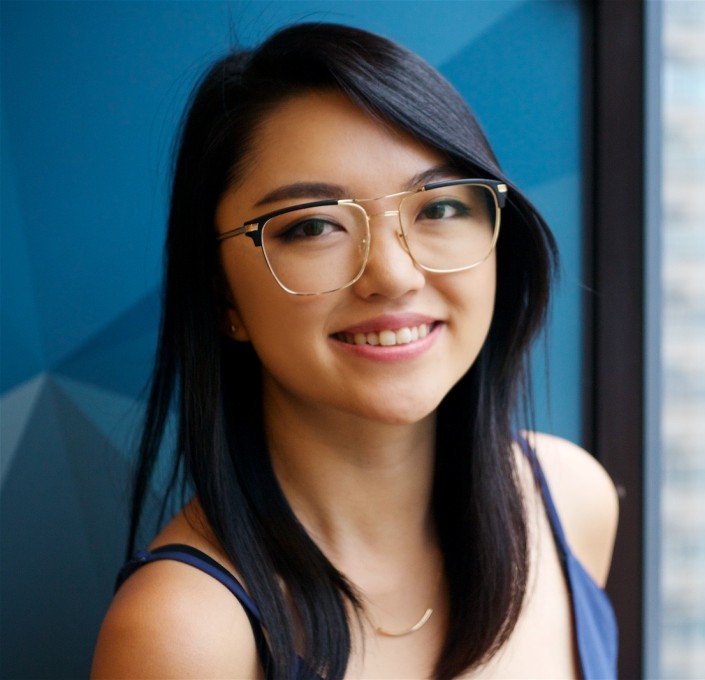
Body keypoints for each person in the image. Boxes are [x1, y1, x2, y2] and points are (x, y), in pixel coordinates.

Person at [91, 22, 618, 680]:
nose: (394, 274)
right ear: (223, 295)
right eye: (314, 226)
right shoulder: (185, 633)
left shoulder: (569, 500)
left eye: (440, 208)